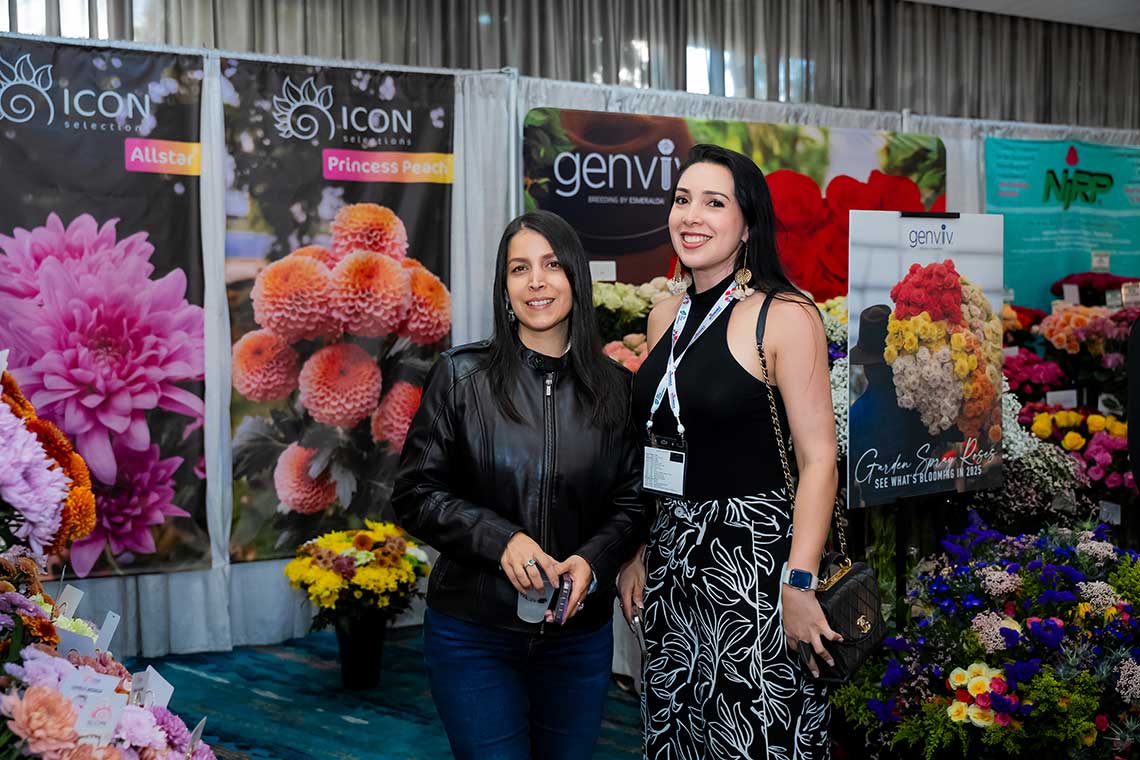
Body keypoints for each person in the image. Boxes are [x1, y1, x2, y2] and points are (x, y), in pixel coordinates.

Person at [392, 210, 645, 760]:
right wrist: (500, 539)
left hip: (578, 641)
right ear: (504, 289)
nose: (536, 281)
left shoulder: (620, 390)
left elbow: (632, 502)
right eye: (519, 268)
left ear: (577, 277)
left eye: (552, 265)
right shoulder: (461, 376)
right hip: (473, 634)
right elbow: (415, 493)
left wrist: (594, 560)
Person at [617, 144, 838, 758]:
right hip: (672, 566)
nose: (693, 216)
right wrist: (638, 550)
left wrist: (799, 582)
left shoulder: (786, 316)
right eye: (682, 200)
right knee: (677, 735)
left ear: (747, 225)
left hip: (756, 568)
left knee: (759, 740)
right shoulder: (666, 316)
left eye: (715, 203)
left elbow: (820, 460)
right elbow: (658, 443)